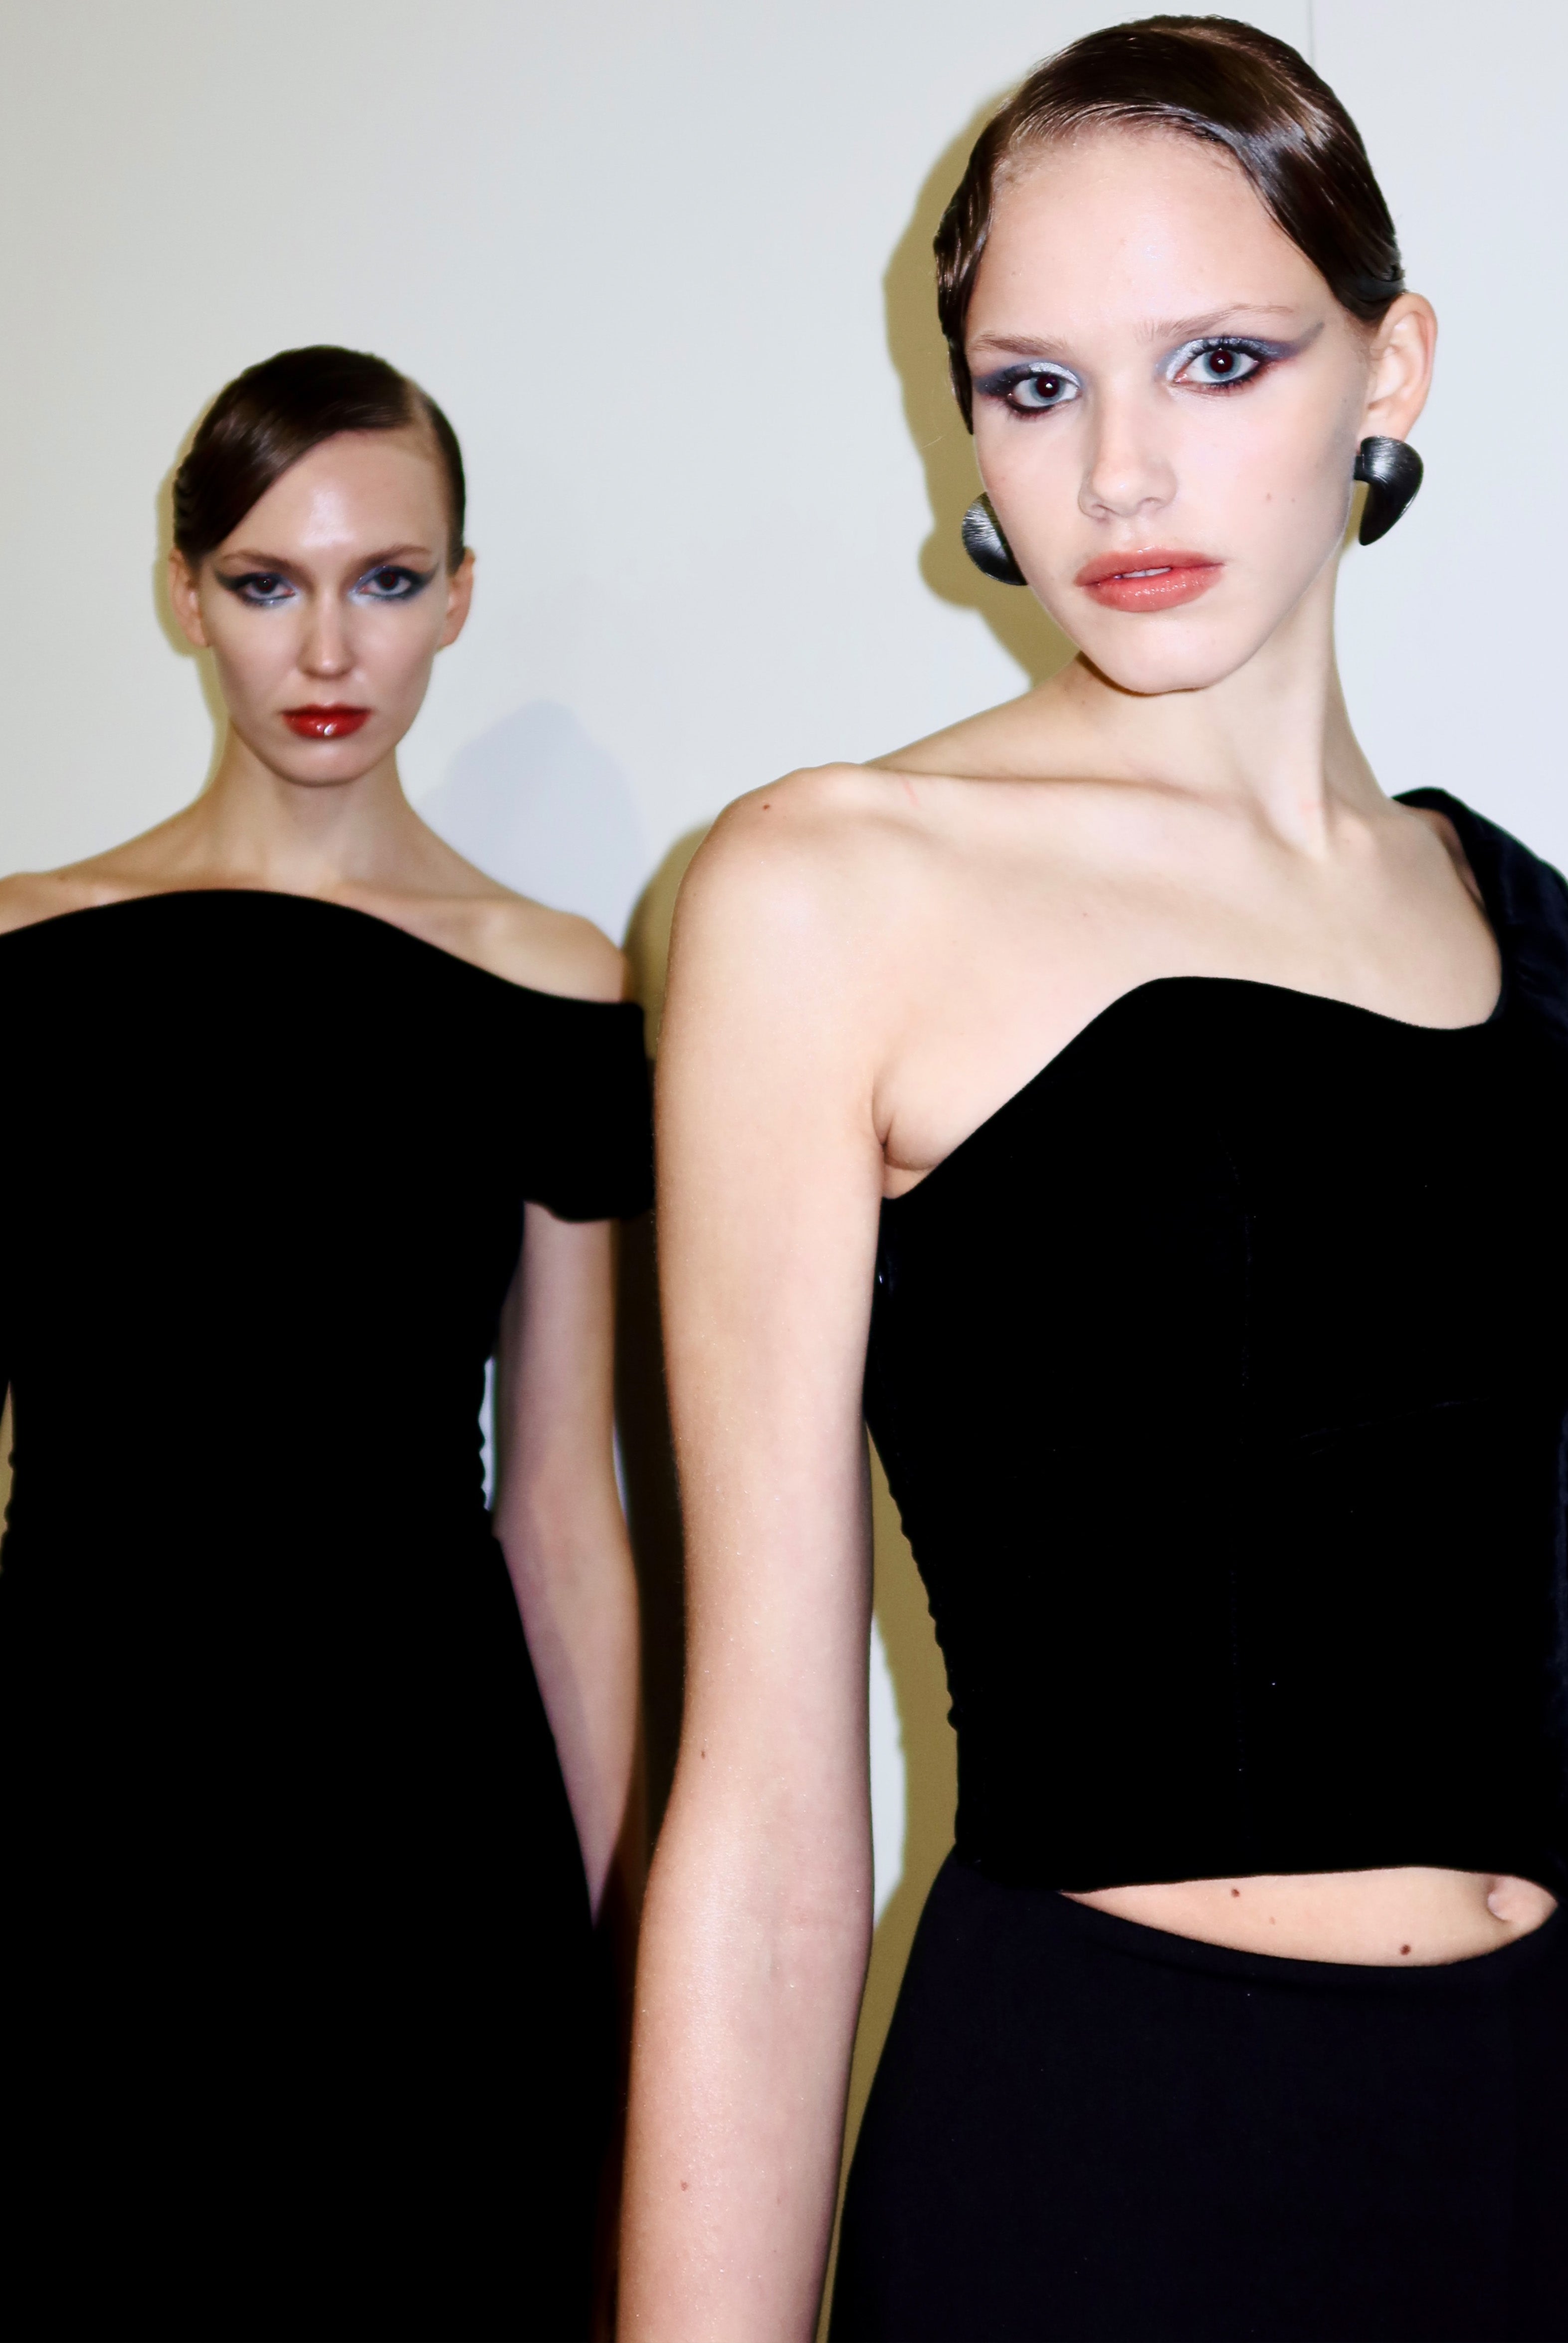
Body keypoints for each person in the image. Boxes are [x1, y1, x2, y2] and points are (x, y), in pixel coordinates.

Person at [621, 19, 1568, 2341]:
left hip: (1539, 2151)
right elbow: (764, 1798)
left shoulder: (1533, 928)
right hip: (1106, 2162)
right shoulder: (828, 888)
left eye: (1220, 359)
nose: (1122, 469)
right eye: (1035, 388)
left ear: (1391, 368)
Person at [0, 345, 650, 2342]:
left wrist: (617, 1929)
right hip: (75, 1813)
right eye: (267, 581)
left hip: (424, 1848)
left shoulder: (555, 985)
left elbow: (562, 1503)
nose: (328, 646)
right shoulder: (24, 956)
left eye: (386, 579)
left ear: (459, 595)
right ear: (185, 593)